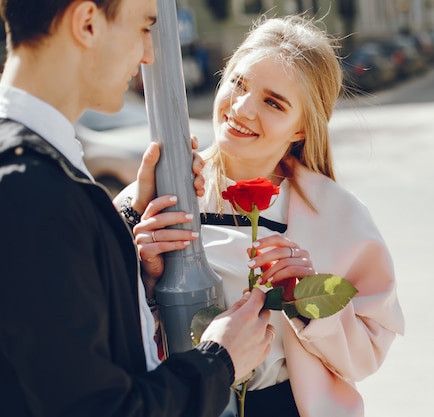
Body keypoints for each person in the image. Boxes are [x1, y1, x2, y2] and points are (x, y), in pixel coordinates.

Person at [115, 15, 405, 417]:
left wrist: (306, 300)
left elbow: (367, 354)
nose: (243, 108)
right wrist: (143, 276)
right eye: (238, 82)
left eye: (273, 102)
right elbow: (96, 332)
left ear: (302, 127)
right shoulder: (153, 197)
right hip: (178, 403)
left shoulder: (338, 216)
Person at [0, 1, 274, 416]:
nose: (149, 54)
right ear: (88, 23)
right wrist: (219, 360)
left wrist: (127, 225)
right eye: (144, 28)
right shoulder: (28, 187)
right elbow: (99, 408)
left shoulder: (37, 171)